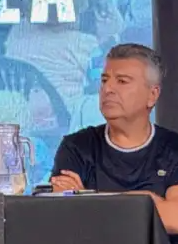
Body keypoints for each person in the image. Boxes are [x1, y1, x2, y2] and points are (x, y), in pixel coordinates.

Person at [51, 44, 178, 234]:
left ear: (152, 95)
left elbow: (174, 218)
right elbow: (65, 214)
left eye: (122, 81)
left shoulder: (173, 148)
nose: (108, 89)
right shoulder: (76, 147)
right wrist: (147, 201)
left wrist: (89, 202)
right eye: (104, 80)